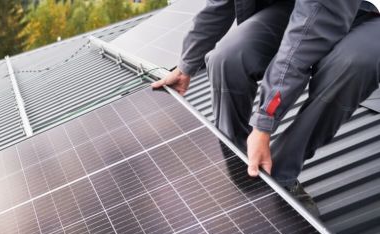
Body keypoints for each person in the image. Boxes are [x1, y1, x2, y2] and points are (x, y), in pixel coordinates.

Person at [153, 0, 380, 215]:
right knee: (227, 57)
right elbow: (219, 5)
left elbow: (304, 39)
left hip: (368, 14)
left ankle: (281, 177)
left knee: (350, 66)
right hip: (296, 7)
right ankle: (242, 166)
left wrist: (264, 122)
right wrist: (186, 65)